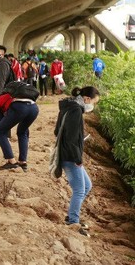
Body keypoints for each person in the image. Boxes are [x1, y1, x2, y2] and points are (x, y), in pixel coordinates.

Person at [54, 86, 100, 237]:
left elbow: (58, 131)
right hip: (70, 156)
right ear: (87, 99)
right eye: (94, 102)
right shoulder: (75, 110)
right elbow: (73, 138)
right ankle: (73, 221)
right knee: (80, 190)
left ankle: (72, 216)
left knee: (87, 186)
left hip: (68, 153)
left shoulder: (70, 105)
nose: (93, 106)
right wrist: (77, 158)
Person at [0, 85, 40, 172]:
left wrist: (1, 125)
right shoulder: (17, 94)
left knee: (0, 132)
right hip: (34, 108)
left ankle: (11, 161)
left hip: (20, 108)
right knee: (22, 132)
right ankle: (22, 162)